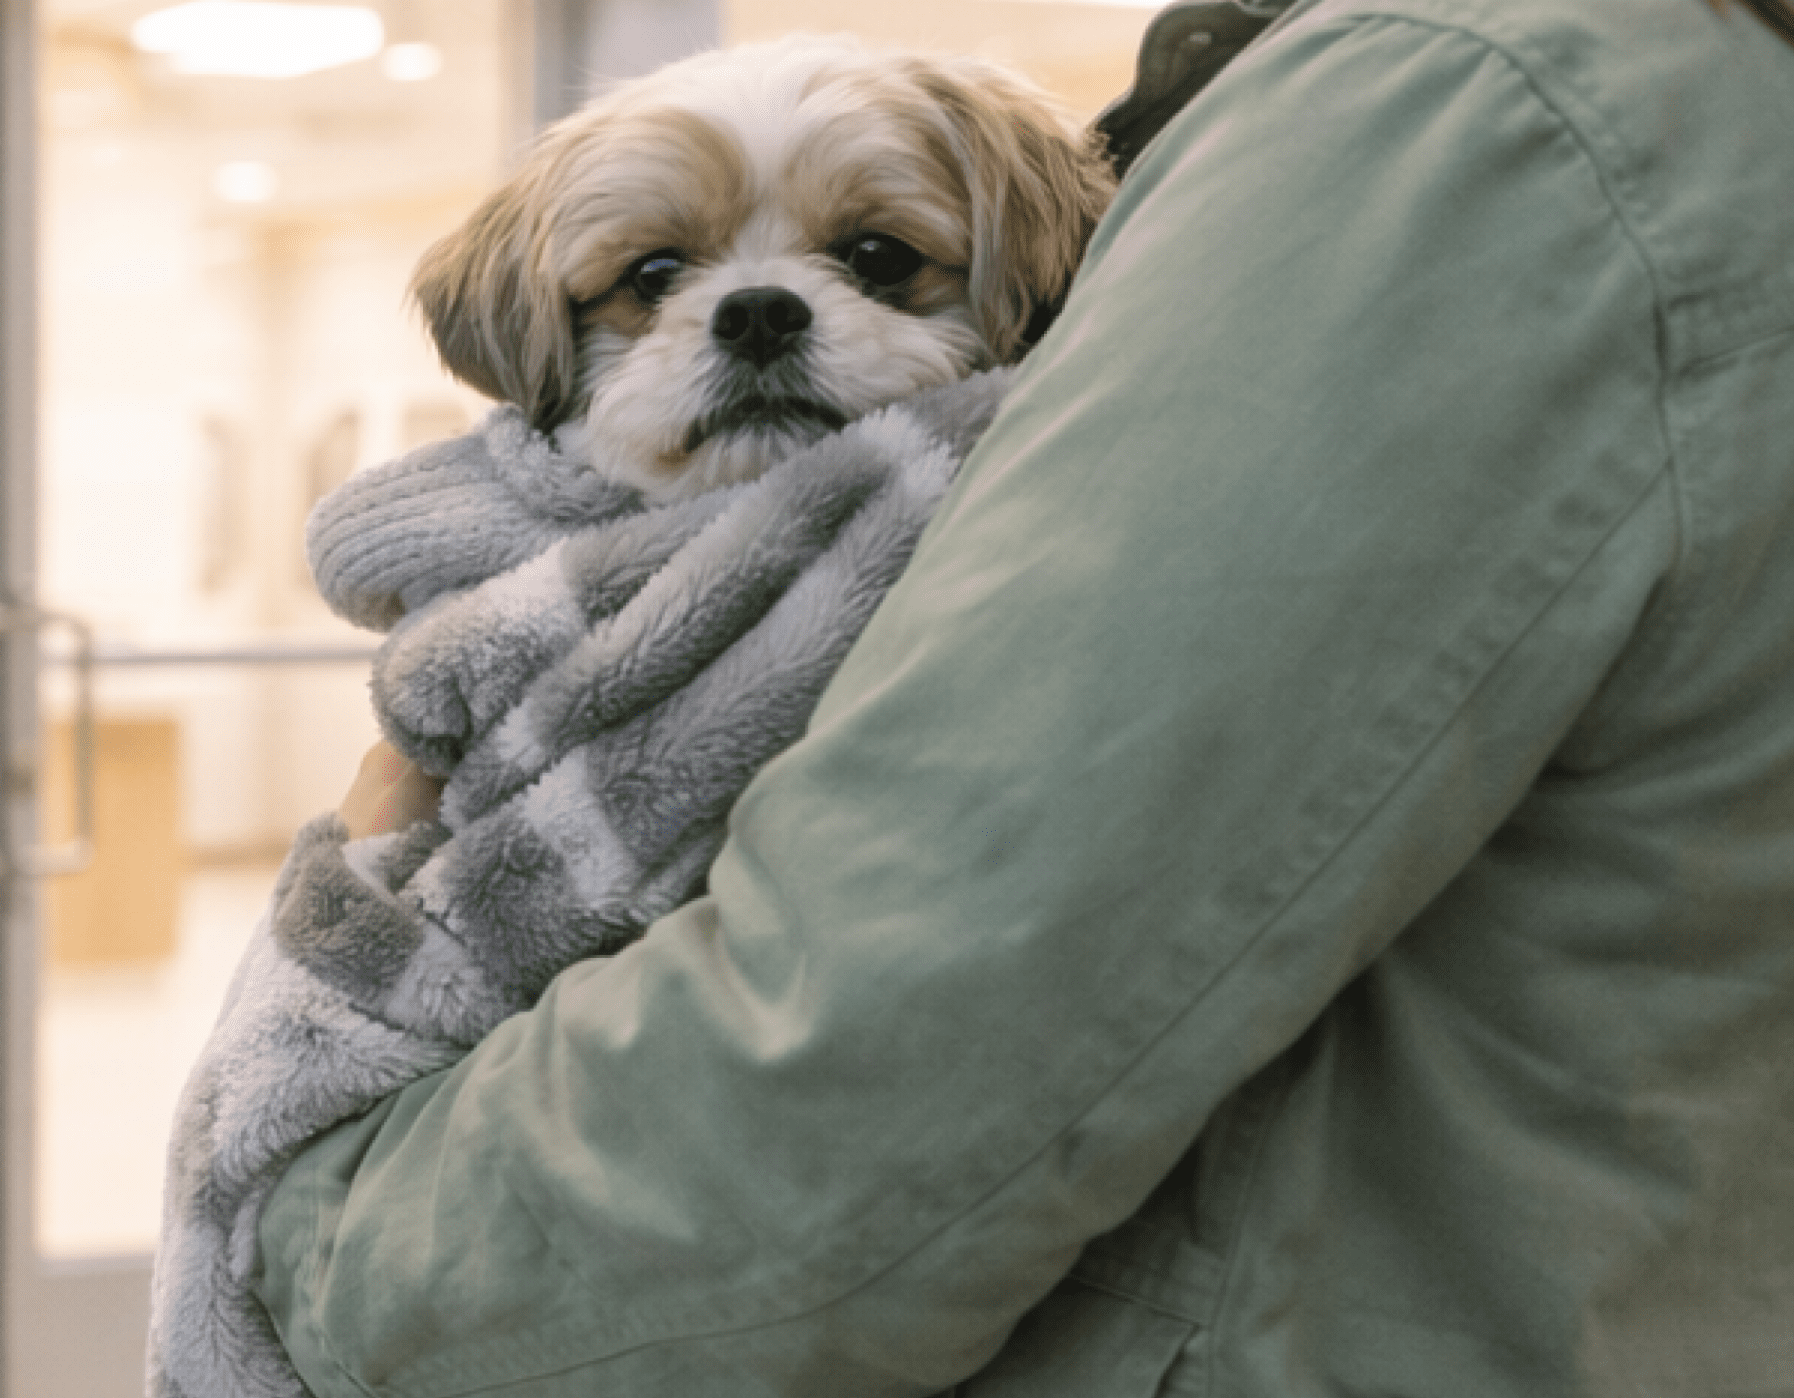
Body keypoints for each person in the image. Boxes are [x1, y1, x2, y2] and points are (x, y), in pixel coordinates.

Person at [258, 0, 1794, 1392]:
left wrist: (314, 1228)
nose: (754, 312)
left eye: (876, 262)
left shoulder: (1469, 100)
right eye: (655, 280)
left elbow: (857, 1083)